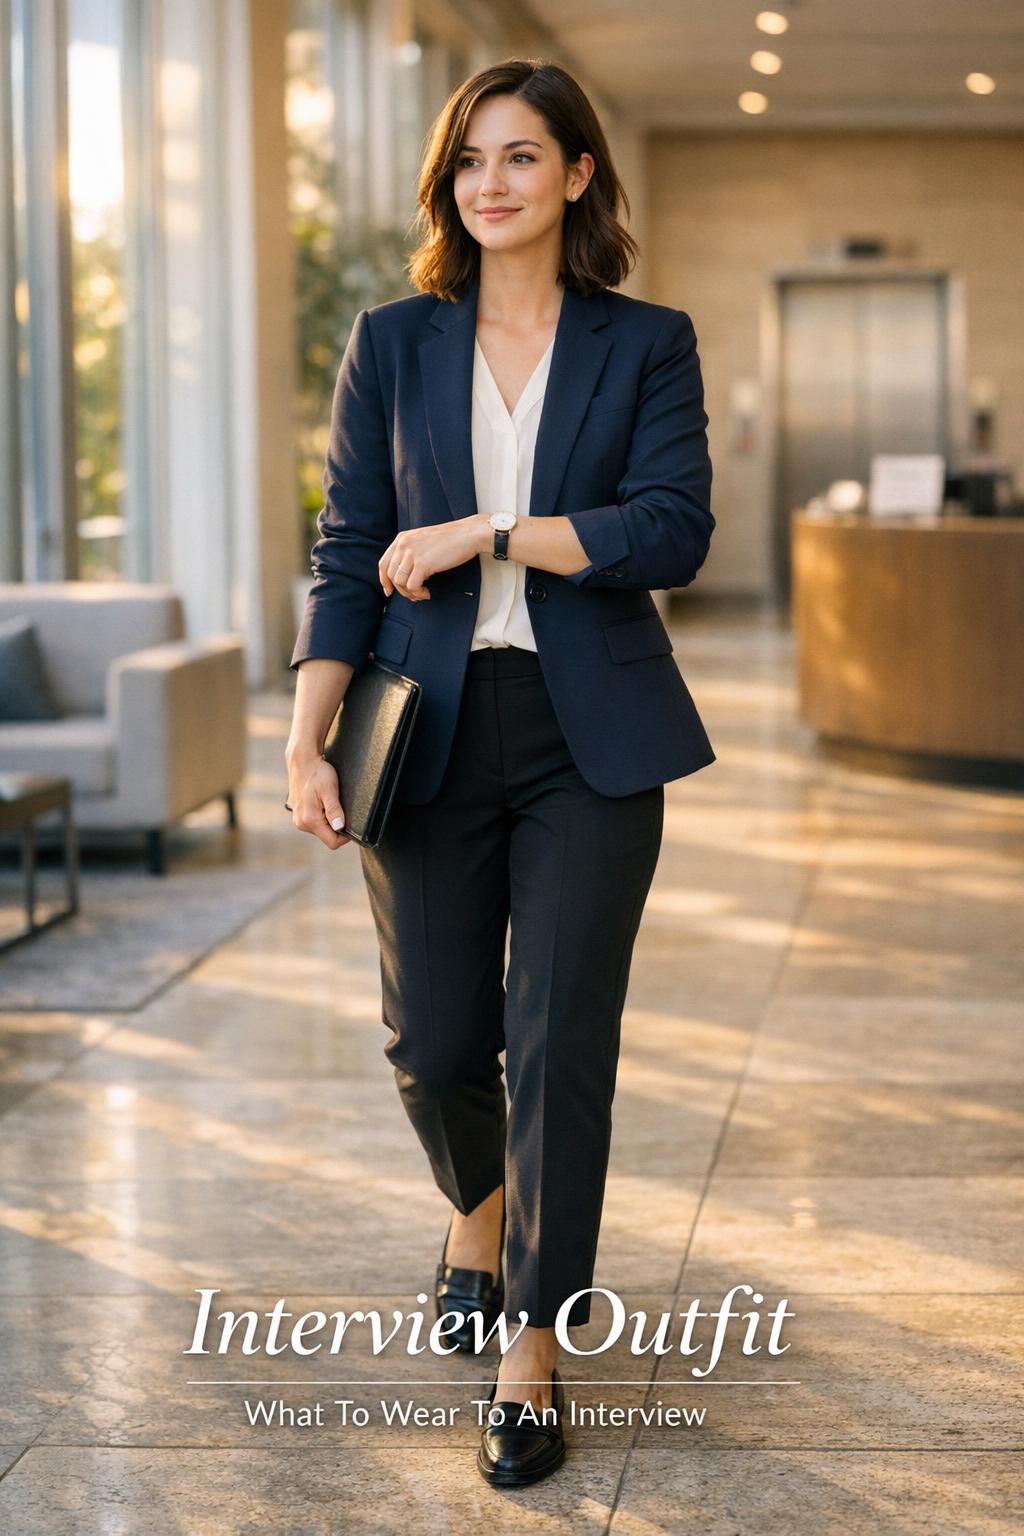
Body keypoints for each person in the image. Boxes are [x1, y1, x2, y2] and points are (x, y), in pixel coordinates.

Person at [285, 58, 715, 1487]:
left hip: (593, 736)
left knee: (559, 1047)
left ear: (577, 175)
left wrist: (488, 531)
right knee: (435, 1042)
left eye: (523, 157)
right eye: (471, 161)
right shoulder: (392, 340)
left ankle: (533, 1350)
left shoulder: (647, 341)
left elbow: (669, 531)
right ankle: (479, 1209)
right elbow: (351, 547)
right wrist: (304, 731)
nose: (493, 184)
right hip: (425, 726)